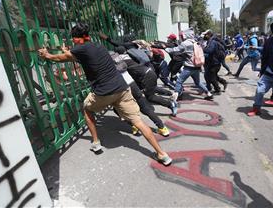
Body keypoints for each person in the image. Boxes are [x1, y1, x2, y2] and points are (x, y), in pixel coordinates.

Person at [38, 23, 172, 166]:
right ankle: (162, 154)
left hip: (104, 92)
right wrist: (67, 51)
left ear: (78, 38)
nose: (73, 41)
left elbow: (60, 58)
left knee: (87, 109)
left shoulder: (79, 48)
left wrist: (46, 54)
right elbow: (76, 56)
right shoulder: (98, 46)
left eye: (74, 38)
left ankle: (96, 142)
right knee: (138, 121)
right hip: (122, 88)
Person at [110, 51, 170, 137]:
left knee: (117, 109)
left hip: (121, 88)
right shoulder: (121, 61)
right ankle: (162, 128)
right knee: (144, 107)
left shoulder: (106, 66)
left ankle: (134, 125)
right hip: (132, 84)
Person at [114, 46, 178, 116]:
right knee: (144, 89)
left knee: (150, 97)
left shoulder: (121, 61)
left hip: (146, 76)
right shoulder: (130, 55)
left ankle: (171, 104)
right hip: (148, 72)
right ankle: (147, 107)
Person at [164, 29, 213, 101]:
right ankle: (208, 93)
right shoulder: (196, 42)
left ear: (185, 35)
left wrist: (166, 49)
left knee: (179, 81)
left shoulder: (185, 43)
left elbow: (176, 50)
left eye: (182, 35)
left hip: (189, 67)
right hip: (197, 67)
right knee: (198, 82)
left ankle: (175, 96)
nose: (181, 37)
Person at [203, 30, 227, 95]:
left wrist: (202, 49)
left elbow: (210, 50)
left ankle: (217, 90)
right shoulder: (210, 41)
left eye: (205, 35)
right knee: (212, 76)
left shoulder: (212, 42)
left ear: (208, 35)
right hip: (212, 62)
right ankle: (223, 82)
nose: (204, 36)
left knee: (212, 77)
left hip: (215, 63)